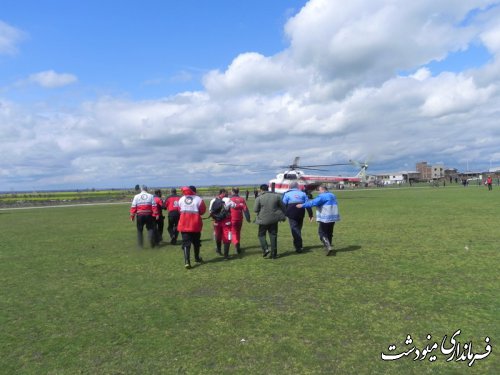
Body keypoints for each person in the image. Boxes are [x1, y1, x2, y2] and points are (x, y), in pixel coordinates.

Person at [297, 185, 340, 256]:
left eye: (319, 190)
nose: (319, 192)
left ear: (323, 190)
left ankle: (328, 246)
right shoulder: (332, 195)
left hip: (325, 217)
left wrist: (302, 205)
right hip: (333, 216)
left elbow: (313, 202)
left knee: (322, 233)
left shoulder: (322, 196)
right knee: (329, 232)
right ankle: (328, 246)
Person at [254, 184, 286, 259]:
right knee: (273, 235)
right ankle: (274, 253)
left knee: (261, 235)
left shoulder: (259, 197)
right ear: (268, 188)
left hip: (263, 220)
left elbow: (255, 210)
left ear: (261, 189)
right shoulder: (276, 196)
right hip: (274, 219)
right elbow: (283, 206)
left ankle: (265, 249)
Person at [177, 186, 206, 269]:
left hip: (184, 224)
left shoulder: (181, 199)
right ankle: (197, 258)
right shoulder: (198, 199)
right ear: (195, 191)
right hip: (195, 224)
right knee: (196, 242)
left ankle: (187, 262)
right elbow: (202, 211)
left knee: (186, 243)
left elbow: (179, 210)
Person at [282, 181, 313, 253]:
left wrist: (283, 214)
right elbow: (308, 204)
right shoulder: (303, 193)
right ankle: (297, 244)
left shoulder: (287, 194)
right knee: (298, 228)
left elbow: (283, 205)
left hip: (291, 213)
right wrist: (310, 214)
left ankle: (298, 246)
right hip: (301, 213)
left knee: (295, 229)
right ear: (298, 186)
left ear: (290, 186)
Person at [209, 188, 234, 260]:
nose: (227, 194)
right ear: (223, 193)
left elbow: (210, 212)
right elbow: (234, 206)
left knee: (218, 236)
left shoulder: (213, 200)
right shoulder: (228, 200)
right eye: (226, 193)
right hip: (226, 222)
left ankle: (219, 250)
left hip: (216, 221)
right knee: (227, 237)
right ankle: (226, 255)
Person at [229, 187, 251, 254]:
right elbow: (245, 209)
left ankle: (236, 244)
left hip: (232, 219)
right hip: (240, 219)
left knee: (233, 232)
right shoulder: (242, 199)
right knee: (238, 232)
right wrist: (248, 218)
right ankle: (238, 244)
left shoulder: (230, 199)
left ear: (232, 192)